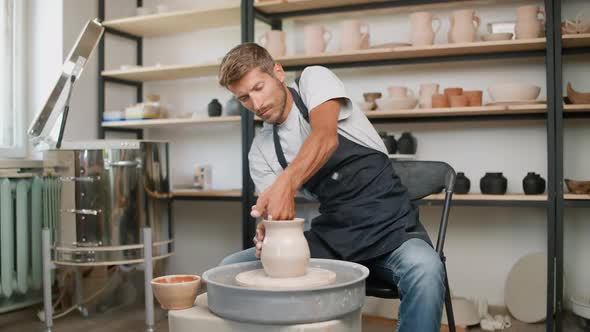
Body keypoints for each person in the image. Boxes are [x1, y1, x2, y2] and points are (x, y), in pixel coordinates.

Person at [217, 43, 445, 331]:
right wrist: (270, 231)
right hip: (334, 239)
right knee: (229, 269)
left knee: (426, 269)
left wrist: (286, 183)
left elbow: (325, 137)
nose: (256, 103)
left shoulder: (315, 80)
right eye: (244, 98)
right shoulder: (261, 150)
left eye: (259, 87)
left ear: (278, 72)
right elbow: (275, 216)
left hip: (392, 230)